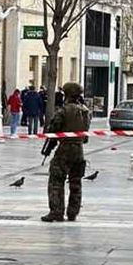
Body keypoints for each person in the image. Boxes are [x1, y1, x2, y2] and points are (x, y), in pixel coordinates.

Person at [41, 82, 91, 223]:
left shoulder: (63, 111)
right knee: (76, 182)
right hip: (79, 150)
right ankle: (72, 212)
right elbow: (85, 136)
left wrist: (48, 148)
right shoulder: (85, 111)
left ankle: (56, 212)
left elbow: (54, 132)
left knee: (56, 180)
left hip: (65, 149)